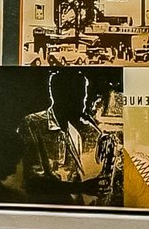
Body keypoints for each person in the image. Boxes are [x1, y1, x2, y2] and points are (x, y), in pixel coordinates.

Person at [10, 71, 121, 205]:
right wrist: (83, 188)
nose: (83, 106)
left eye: (84, 99)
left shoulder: (75, 132)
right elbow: (33, 182)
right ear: (59, 96)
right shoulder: (31, 124)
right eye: (79, 99)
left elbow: (77, 179)